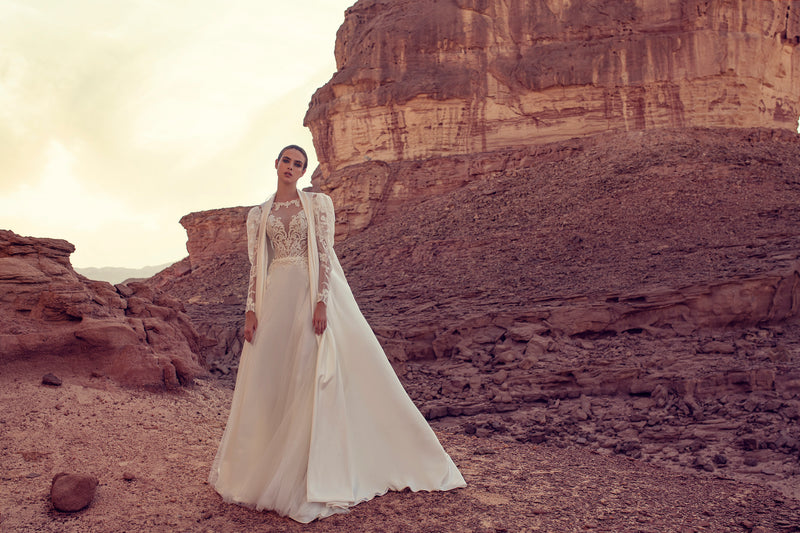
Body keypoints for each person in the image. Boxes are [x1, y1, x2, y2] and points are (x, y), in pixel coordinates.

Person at [208, 145, 466, 523]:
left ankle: (309, 471)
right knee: (271, 375)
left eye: (298, 164)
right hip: (275, 295)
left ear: (302, 171)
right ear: (276, 164)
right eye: (286, 161)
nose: (291, 168)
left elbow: (325, 255)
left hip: (308, 292)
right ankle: (267, 462)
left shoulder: (317, 205)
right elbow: (256, 266)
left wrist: (322, 302)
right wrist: (250, 310)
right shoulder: (258, 215)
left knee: (310, 371)